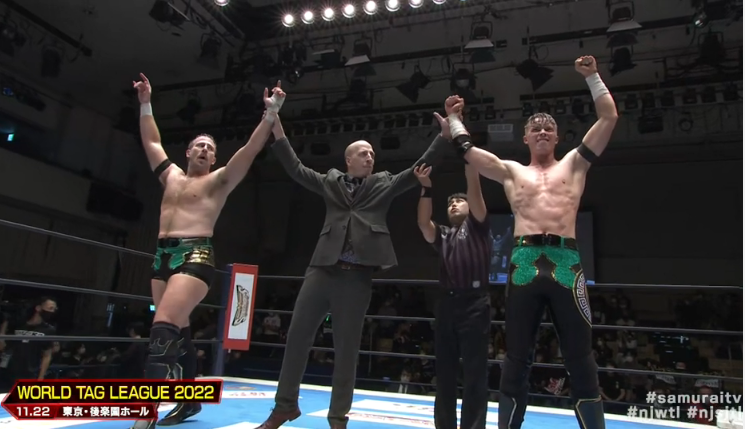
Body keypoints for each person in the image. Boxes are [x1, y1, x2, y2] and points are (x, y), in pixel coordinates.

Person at [255, 97, 458, 429]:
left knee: (347, 350)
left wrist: (444, 136)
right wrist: (275, 120)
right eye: (363, 153)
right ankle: (284, 406)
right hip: (322, 269)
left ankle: (338, 418)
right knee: (296, 338)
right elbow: (294, 167)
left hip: (357, 276)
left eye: (372, 154)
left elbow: (417, 170)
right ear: (348, 159)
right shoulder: (329, 182)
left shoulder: (383, 183)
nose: (370, 157)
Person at [447, 56, 618, 429]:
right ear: (525, 138)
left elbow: (608, 118)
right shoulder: (512, 171)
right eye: (535, 128)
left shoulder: (574, 163)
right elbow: (468, 152)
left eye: (548, 128)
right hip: (524, 261)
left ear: (557, 137)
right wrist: (455, 118)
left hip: (566, 262)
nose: (542, 131)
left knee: (580, 357)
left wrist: (592, 77)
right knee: (516, 358)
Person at [131, 74, 286, 429]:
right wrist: (145, 103)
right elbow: (151, 141)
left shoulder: (219, 181)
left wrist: (271, 113)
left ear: (215, 158)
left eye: (210, 148)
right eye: (199, 146)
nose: (204, 150)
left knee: (163, 327)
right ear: (187, 152)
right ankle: (190, 402)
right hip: (162, 256)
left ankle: (145, 413)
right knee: (180, 332)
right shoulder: (170, 176)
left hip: (195, 256)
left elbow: (250, 150)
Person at [414, 153, 492, 429]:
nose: (453, 204)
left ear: (470, 206)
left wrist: (469, 158)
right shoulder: (444, 235)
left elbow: (474, 191)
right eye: (449, 203)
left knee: (474, 372)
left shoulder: (479, 226)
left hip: (475, 304)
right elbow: (423, 223)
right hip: (447, 304)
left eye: (459, 201)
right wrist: (426, 188)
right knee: (445, 372)